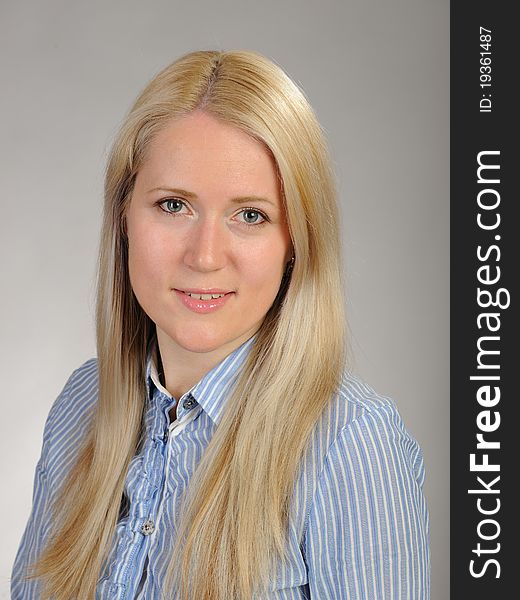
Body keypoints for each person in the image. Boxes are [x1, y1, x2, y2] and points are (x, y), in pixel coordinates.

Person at [11, 50, 430, 599]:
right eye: (173, 205)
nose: (205, 256)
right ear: (123, 217)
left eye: (250, 215)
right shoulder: (79, 407)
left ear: (296, 242)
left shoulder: (352, 445)